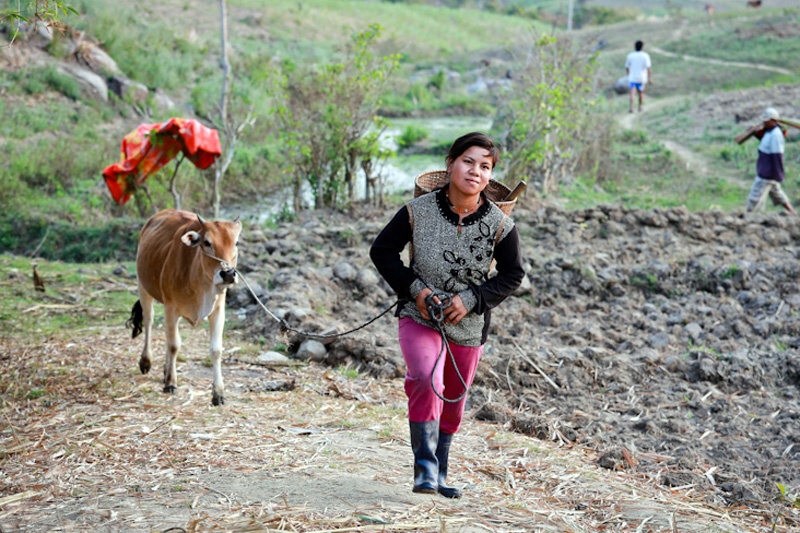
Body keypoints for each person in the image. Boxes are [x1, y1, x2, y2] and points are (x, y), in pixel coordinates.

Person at [370, 132, 525, 498]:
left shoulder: (500, 225)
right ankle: (424, 468)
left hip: (468, 326)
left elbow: (512, 274)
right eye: (468, 161)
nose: (475, 171)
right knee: (425, 378)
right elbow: (383, 251)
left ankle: (440, 469)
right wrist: (417, 291)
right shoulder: (416, 212)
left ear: (489, 177)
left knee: (454, 400)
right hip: (420, 314)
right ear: (450, 163)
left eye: (484, 166)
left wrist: (471, 299)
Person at [745, 107, 797, 216]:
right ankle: (793, 214)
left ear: (773, 121)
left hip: (766, 173)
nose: (763, 122)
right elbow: (765, 142)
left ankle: (749, 218)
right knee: (778, 194)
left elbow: (777, 155)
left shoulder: (776, 135)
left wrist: (778, 174)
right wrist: (755, 133)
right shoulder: (769, 132)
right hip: (768, 172)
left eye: (766, 120)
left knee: (754, 198)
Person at [625, 40, 652, 113]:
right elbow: (648, 68)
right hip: (641, 78)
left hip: (632, 77)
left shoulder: (630, 55)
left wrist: (628, 75)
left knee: (632, 93)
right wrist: (650, 78)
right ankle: (640, 107)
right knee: (640, 93)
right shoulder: (645, 56)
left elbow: (627, 67)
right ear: (642, 47)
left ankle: (631, 108)